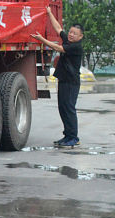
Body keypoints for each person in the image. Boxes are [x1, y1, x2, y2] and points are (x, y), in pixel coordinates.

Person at [32, 8, 84, 147]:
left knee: (69, 108)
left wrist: (42, 40)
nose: (71, 35)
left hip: (71, 82)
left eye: (75, 33)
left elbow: (58, 49)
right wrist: (49, 13)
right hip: (64, 80)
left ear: (80, 36)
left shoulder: (76, 47)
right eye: (71, 32)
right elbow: (58, 28)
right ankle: (67, 136)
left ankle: (74, 137)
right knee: (62, 108)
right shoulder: (69, 41)